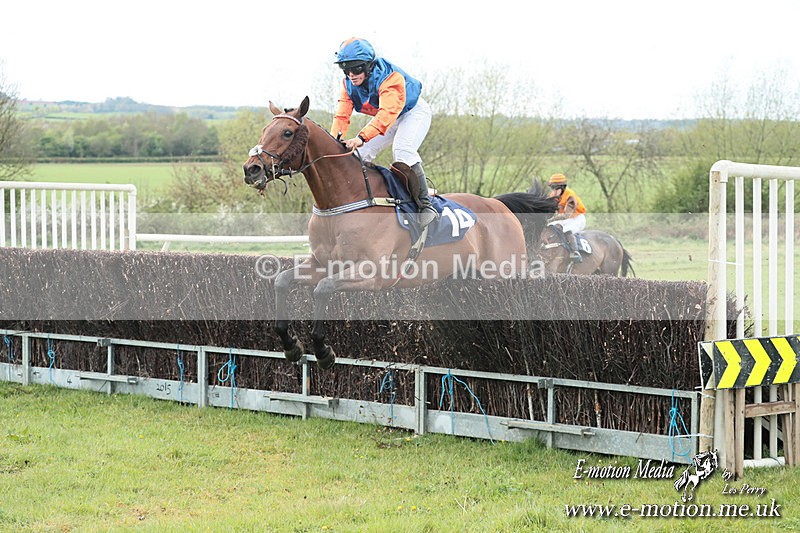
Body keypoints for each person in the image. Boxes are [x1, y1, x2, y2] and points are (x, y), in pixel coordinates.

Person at [331, 37, 438, 227]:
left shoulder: (390, 77)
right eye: (346, 69)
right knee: (359, 155)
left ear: (368, 66)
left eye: (356, 69)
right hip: (390, 116)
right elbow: (342, 115)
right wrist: (334, 139)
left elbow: (387, 114)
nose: (351, 75)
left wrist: (361, 137)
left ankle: (425, 206)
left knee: (403, 151)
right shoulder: (347, 83)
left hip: (413, 112)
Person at [547, 173, 587, 262]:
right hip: (564, 219)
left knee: (566, 230)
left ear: (562, 187)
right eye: (552, 188)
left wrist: (551, 219)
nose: (554, 190)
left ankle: (575, 252)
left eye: (556, 188)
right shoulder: (553, 195)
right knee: (549, 226)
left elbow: (566, 215)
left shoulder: (571, 196)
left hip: (577, 219)